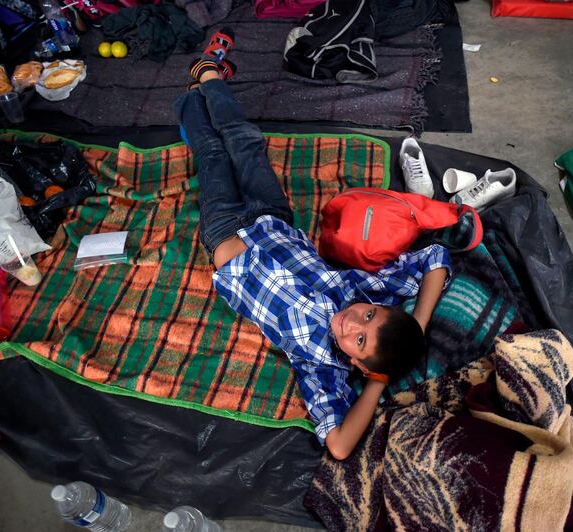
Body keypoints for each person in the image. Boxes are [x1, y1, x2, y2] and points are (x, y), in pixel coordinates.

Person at [174, 33, 451, 460]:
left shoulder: (321, 368)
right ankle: (209, 76)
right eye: (369, 316)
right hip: (273, 217)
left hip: (226, 234)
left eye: (359, 341)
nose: (351, 322)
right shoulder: (369, 291)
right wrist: (419, 318)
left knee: (211, 154)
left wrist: (377, 381)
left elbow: (339, 446)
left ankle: (194, 98)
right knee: (244, 140)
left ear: (360, 365)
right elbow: (435, 258)